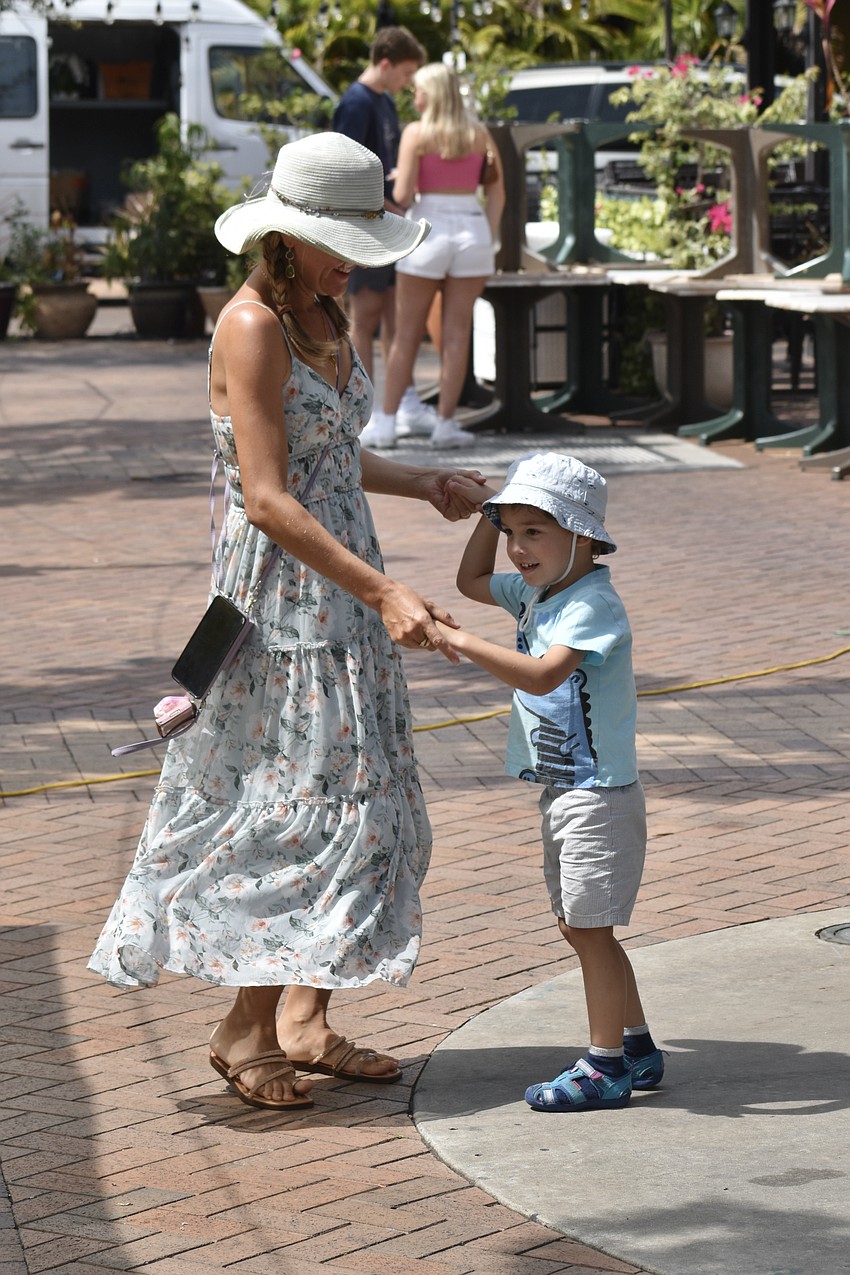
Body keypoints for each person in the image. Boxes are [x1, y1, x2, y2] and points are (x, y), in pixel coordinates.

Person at [88, 132, 485, 1112]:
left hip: (343, 587)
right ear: (288, 234)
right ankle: (241, 1028)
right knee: (288, 803)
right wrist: (385, 592)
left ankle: (302, 1017)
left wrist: (424, 481)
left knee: (361, 801)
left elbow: (332, 457)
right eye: (339, 236)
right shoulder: (251, 325)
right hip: (279, 603)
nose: (355, 254)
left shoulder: (323, 308)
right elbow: (267, 496)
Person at [437, 453, 663, 1111]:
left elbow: (541, 675)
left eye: (536, 530)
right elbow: (471, 576)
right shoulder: (539, 591)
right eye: (513, 531)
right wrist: (490, 510)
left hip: (598, 797)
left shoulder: (593, 604)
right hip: (565, 791)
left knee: (589, 928)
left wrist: (459, 642)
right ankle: (637, 1044)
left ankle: (605, 1066)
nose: (517, 547)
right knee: (580, 926)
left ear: (582, 535)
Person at [360, 61, 505, 451]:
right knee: (458, 334)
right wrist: (487, 235)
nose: (414, 96)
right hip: (471, 228)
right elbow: (498, 193)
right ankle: (445, 424)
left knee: (406, 334)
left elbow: (404, 195)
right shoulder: (478, 134)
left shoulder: (417, 133)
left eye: (419, 90)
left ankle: (387, 423)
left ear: (432, 95)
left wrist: (391, 187)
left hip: (428, 229)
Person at [332, 25, 435, 437]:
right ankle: (363, 409)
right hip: (369, 227)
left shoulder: (385, 102)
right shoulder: (356, 103)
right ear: (386, 63)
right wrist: (385, 206)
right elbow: (347, 165)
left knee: (394, 315)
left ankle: (400, 400)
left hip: (388, 222)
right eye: (407, 72)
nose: (409, 82)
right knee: (367, 315)